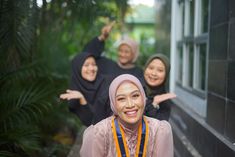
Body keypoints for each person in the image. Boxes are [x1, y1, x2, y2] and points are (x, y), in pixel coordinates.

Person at [80, 74, 174, 157]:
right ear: (113, 103)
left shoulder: (159, 131)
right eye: (121, 99)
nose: (130, 104)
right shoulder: (99, 134)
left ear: (143, 98)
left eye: (135, 96)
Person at [60, 52, 112, 126]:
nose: (91, 68)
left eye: (94, 64)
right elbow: (91, 123)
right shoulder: (75, 92)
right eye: (86, 65)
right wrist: (82, 100)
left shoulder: (108, 82)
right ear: (78, 68)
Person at [143, 53, 176, 121]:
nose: (154, 73)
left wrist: (154, 104)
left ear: (166, 75)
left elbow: (159, 129)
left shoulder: (165, 100)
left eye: (160, 70)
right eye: (151, 68)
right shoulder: (134, 89)